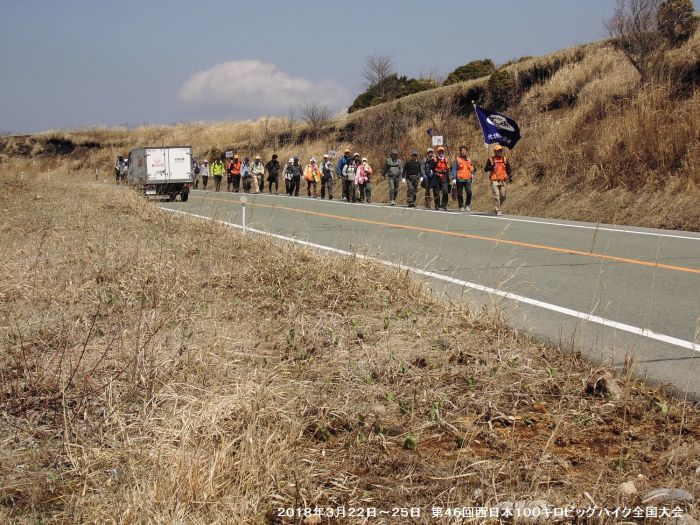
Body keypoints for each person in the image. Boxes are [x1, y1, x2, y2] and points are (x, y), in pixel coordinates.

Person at [484, 144, 512, 216]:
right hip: (494, 180)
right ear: (494, 151)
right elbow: (486, 169)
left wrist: (510, 176)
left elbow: (508, 169)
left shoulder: (504, 159)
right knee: (496, 195)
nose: (499, 152)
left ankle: (497, 207)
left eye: (500, 150)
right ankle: (498, 210)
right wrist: (491, 166)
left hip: (503, 179)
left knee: (503, 195)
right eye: (498, 151)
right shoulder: (491, 160)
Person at [451, 146, 476, 211]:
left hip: (468, 179)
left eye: (464, 150)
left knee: (469, 192)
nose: (463, 151)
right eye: (462, 150)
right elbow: (454, 169)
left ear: (466, 151)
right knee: (460, 193)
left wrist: (472, 174)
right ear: (460, 152)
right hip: (459, 179)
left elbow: (472, 168)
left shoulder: (469, 160)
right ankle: (461, 206)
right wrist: (453, 178)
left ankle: (467, 205)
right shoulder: (457, 160)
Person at [434, 146, 450, 211]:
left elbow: (448, 169)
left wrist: (449, 178)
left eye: (442, 151)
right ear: (437, 152)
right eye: (439, 151)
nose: (441, 152)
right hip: (436, 176)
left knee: (445, 191)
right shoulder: (435, 159)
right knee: (436, 192)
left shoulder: (446, 159)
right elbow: (432, 167)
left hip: (444, 177)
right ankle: (437, 204)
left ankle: (444, 204)